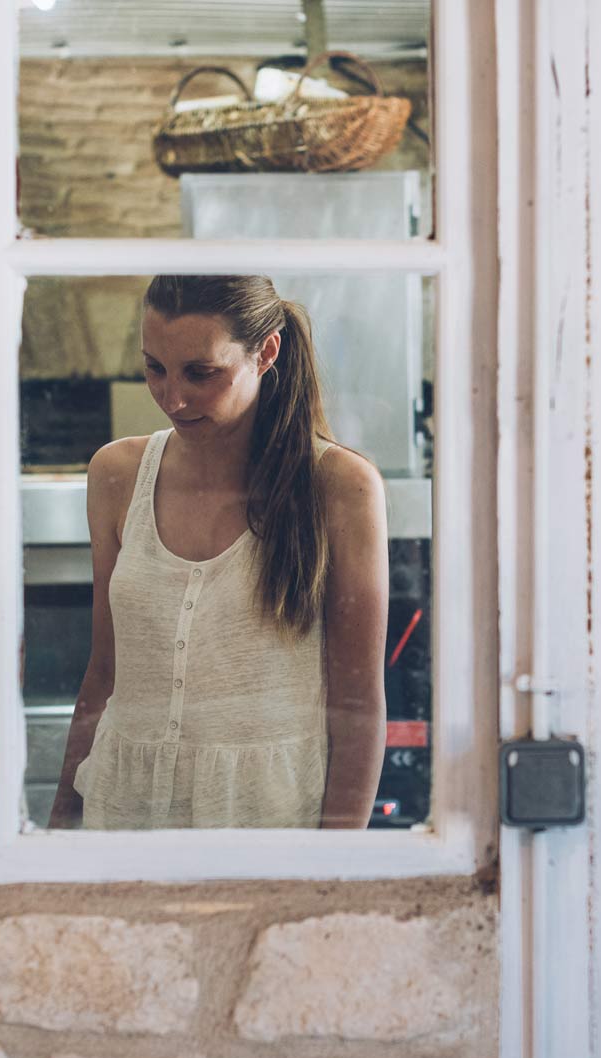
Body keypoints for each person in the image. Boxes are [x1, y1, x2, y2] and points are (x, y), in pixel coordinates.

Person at [49, 275, 389, 830]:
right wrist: (60, 826)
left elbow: (358, 705)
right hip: (121, 811)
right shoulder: (116, 474)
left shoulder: (340, 486)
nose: (172, 398)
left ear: (267, 352)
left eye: (202, 373)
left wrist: (336, 864)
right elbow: (105, 671)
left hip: (267, 820)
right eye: (154, 367)